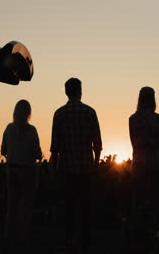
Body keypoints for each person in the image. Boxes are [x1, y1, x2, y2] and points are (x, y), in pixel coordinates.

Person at [50, 78, 102, 253]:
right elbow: (98, 144)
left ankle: (69, 240)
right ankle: (86, 242)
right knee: (86, 208)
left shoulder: (59, 114)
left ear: (66, 92)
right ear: (80, 91)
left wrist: (54, 170)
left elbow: (55, 148)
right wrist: (95, 164)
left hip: (67, 170)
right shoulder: (90, 112)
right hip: (86, 169)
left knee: (69, 208)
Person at [1, 99, 42, 252]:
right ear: (29, 113)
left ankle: (8, 238)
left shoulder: (9, 128)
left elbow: (3, 150)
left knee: (11, 206)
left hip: (12, 170)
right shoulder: (32, 130)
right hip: (28, 171)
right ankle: (23, 239)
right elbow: (37, 153)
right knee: (26, 207)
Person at [128, 86, 159, 241]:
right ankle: (156, 233)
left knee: (138, 199)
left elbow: (134, 143)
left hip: (138, 164)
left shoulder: (132, 119)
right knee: (156, 198)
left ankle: (138, 233)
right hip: (156, 162)